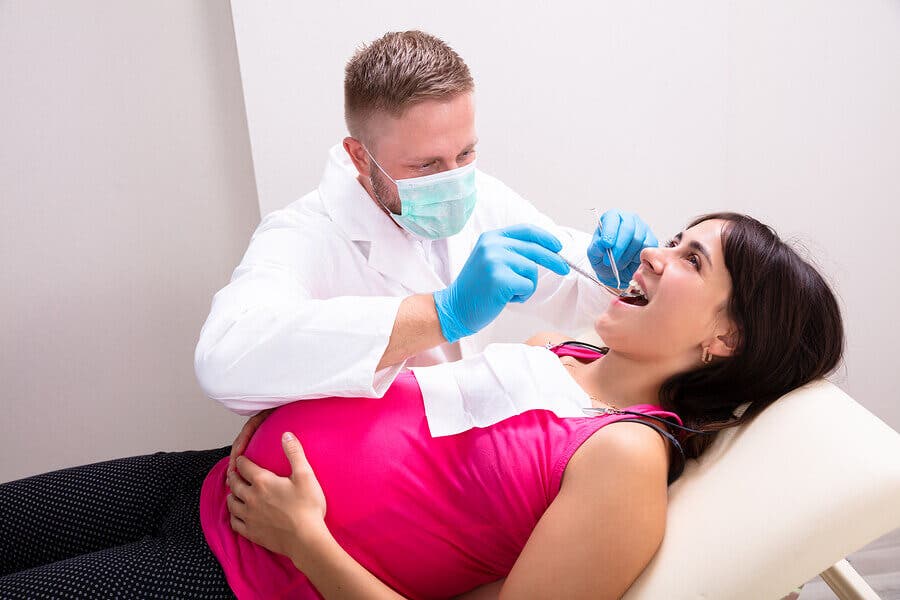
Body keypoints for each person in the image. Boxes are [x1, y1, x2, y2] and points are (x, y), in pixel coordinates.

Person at [0, 213, 844, 599]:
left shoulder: (625, 457)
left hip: (245, 575)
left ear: (726, 340)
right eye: (671, 236)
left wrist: (308, 540)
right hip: (204, 485)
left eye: (690, 258)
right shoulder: (575, 354)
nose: (656, 255)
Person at [192, 30, 657, 426]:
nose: (454, 179)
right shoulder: (303, 233)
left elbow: (572, 288)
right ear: (359, 156)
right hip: (326, 477)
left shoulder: (484, 197)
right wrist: (441, 313)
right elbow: (224, 359)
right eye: (426, 164)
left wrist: (618, 274)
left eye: (466, 154)